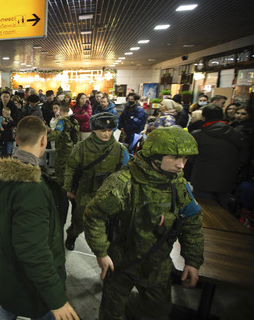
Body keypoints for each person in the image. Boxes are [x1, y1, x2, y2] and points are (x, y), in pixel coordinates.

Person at [84, 127, 204, 319]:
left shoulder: (177, 184)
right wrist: (101, 252)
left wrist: (193, 260)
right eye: (174, 157)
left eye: (185, 159)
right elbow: (94, 216)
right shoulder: (123, 182)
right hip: (121, 262)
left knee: (158, 311)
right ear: (154, 156)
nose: (181, 165)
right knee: (111, 313)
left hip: (158, 264)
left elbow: (192, 223)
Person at [0, 116, 79, 320]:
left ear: (16, 138)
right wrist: (56, 299)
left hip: (4, 274)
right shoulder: (32, 188)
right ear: (43, 140)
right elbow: (33, 250)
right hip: (29, 286)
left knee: (6, 309)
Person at [63, 113, 129, 250]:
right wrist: (69, 189)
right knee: (80, 219)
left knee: (107, 221)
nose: (107, 134)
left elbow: (125, 172)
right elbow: (71, 168)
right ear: (94, 130)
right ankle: (72, 235)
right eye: (103, 130)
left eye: (110, 130)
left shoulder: (119, 149)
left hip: (109, 192)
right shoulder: (82, 147)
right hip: (85, 191)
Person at [187, 104, 247, 209]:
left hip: (202, 179)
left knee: (203, 210)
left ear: (204, 117)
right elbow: (244, 157)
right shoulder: (237, 134)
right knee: (223, 213)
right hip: (227, 180)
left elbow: (190, 158)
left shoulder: (198, 135)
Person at [48, 102, 79, 188]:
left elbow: (57, 133)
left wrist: (44, 138)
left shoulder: (62, 121)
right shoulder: (73, 120)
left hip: (62, 149)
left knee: (60, 170)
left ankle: (62, 189)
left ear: (60, 110)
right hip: (70, 147)